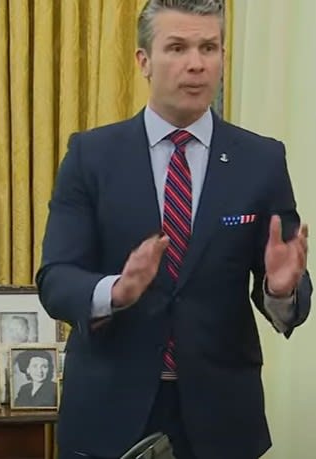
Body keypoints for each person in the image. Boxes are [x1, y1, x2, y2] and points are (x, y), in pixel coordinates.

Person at [36, 1, 311, 458]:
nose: (196, 64)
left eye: (209, 48)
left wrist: (280, 290)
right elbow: (56, 279)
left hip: (222, 418)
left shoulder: (261, 161)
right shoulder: (91, 156)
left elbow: (289, 292)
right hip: (110, 412)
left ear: (222, 57)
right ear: (143, 61)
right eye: (178, 48)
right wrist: (116, 291)